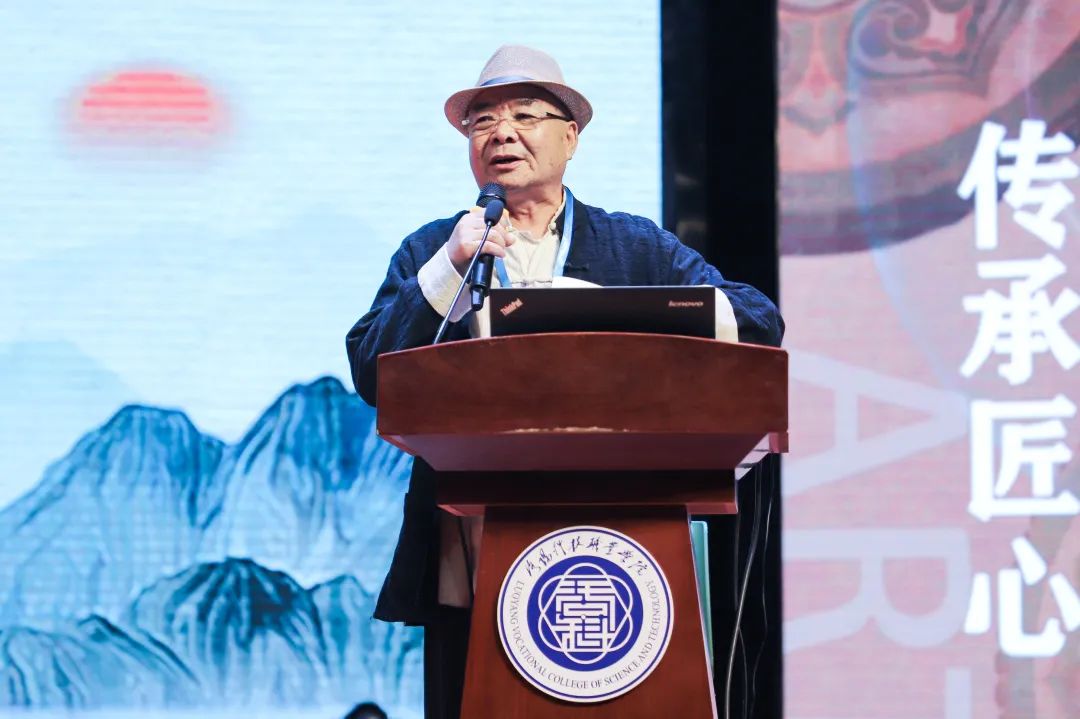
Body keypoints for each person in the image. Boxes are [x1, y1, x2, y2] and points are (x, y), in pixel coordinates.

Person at [346, 44, 783, 719]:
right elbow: (373, 370)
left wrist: (623, 317)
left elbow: (759, 319)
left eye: (525, 115)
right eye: (483, 121)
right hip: (467, 539)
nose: (502, 134)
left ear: (570, 137)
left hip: (629, 529)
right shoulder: (434, 247)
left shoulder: (633, 247)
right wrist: (450, 267)